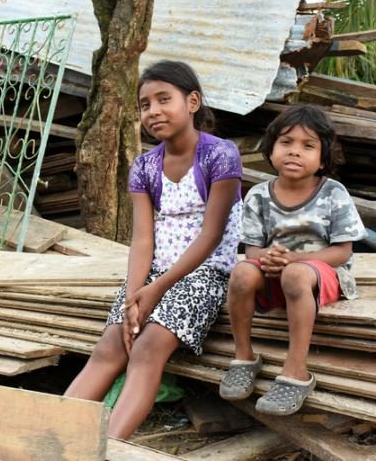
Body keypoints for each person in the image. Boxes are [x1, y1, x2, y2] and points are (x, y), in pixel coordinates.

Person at [64, 60, 243, 439]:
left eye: (165, 99)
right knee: (110, 345)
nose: (153, 111)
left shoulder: (219, 156)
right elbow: (143, 239)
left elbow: (211, 235)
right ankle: (53, 437)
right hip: (152, 275)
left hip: (205, 273)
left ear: (192, 101)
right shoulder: (144, 166)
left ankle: (106, 448)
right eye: (145, 104)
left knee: (146, 349)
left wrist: (156, 291)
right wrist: (133, 299)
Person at [219, 105, 366, 415]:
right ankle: (244, 357)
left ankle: (296, 369)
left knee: (297, 274)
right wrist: (270, 259)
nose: (295, 152)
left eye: (308, 145)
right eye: (286, 142)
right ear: (271, 150)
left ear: (323, 158)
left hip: (324, 276)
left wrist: (295, 260)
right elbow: (252, 250)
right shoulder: (258, 194)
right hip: (278, 273)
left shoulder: (333, 193)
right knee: (242, 273)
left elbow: (342, 252)